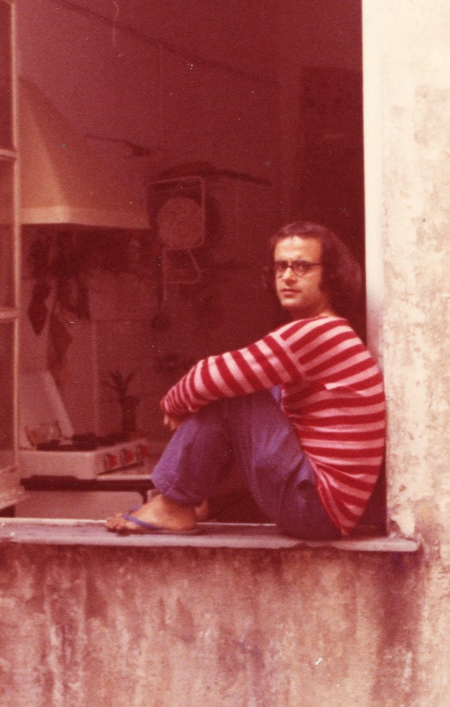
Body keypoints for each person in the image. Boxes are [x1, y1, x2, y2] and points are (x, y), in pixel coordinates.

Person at [106, 221, 386, 539]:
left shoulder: (319, 332)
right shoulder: (331, 331)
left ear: (331, 276)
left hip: (317, 508)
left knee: (235, 393)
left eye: (302, 266)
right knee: (253, 387)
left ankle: (174, 505)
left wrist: (174, 403)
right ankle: (187, 500)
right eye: (281, 266)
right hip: (323, 510)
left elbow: (210, 376)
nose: (287, 276)